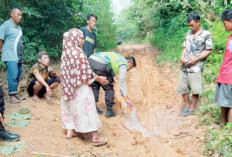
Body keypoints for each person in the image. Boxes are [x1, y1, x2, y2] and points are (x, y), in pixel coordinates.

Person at [61, 28, 108, 146]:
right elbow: (87, 73)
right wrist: (99, 79)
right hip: (80, 88)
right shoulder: (78, 52)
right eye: (81, 38)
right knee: (89, 109)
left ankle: (70, 131)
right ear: (74, 39)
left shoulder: (66, 52)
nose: (83, 41)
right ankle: (95, 138)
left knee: (71, 108)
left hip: (68, 88)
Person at [177, 13, 213, 117]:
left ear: (198, 22)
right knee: (183, 86)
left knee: (194, 87)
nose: (190, 27)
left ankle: (192, 108)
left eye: (192, 25)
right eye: (189, 25)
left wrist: (196, 59)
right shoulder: (188, 34)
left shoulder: (206, 34)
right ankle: (187, 106)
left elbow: (209, 50)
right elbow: (185, 47)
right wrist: (182, 56)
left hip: (196, 66)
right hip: (185, 65)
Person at [88, 52, 136, 118]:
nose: (128, 69)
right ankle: (109, 111)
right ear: (129, 62)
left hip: (90, 61)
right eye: (130, 67)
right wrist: (126, 99)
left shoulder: (117, 56)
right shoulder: (123, 63)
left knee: (95, 85)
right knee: (109, 87)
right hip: (101, 64)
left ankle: (93, 108)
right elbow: (122, 81)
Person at [0, 6, 23, 104]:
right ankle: (12, 96)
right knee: (12, 75)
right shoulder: (5, 25)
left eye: (21, 15)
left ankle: (14, 93)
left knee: (18, 74)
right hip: (10, 55)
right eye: (18, 14)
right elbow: (0, 39)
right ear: (11, 14)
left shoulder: (18, 27)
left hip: (18, 56)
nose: (20, 17)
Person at [214, 8, 232, 128]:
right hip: (224, 75)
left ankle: (229, 129)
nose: (224, 26)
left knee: (230, 104)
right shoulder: (230, 38)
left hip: (229, 76)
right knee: (223, 101)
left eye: (224, 23)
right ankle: (223, 124)